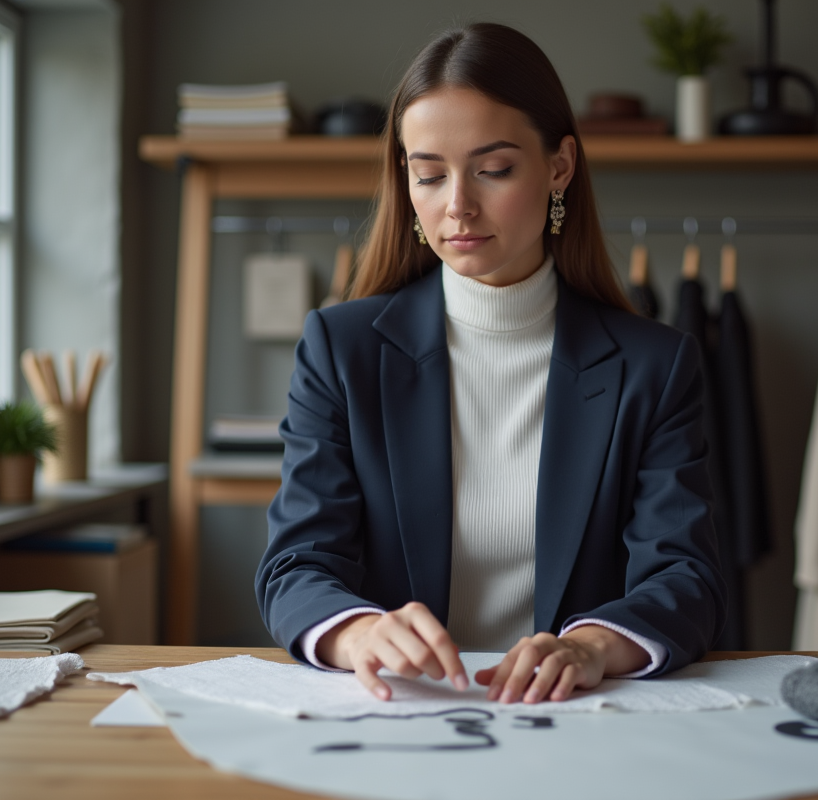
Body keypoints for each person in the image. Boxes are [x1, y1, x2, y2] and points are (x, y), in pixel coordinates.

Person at [255, 22, 725, 705]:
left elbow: (687, 578)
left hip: (577, 717)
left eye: (493, 169)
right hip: (403, 715)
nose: (457, 206)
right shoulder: (341, 348)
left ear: (559, 166)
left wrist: (590, 645)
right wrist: (360, 633)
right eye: (428, 175)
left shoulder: (655, 366)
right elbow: (295, 566)